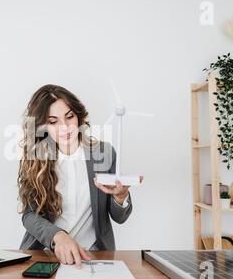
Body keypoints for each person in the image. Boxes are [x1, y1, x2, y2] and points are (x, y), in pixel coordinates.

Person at [18, 84, 142, 268]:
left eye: (69, 117)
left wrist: (120, 196)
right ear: (42, 126)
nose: (65, 127)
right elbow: (29, 215)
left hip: (94, 257)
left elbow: (119, 218)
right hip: (46, 255)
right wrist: (58, 236)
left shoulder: (104, 153)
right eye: (53, 122)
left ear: (78, 116)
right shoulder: (35, 159)